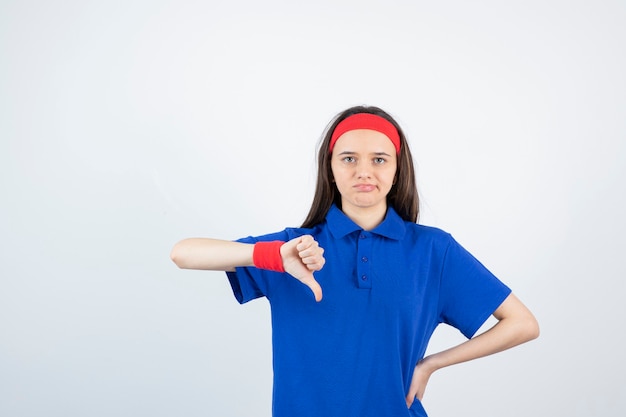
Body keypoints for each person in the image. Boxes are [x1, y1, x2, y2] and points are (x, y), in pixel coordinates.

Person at [170, 105, 539, 417]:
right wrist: (271, 255)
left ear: (397, 170)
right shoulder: (295, 248)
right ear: (331, 168)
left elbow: (522, 323)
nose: (364, 171)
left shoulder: (432, 251)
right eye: (349, 159)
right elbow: (183, 253)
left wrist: (431, 364)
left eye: (379, 159)